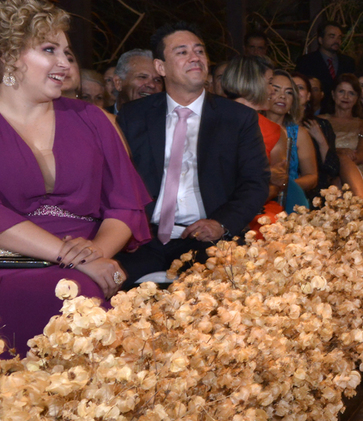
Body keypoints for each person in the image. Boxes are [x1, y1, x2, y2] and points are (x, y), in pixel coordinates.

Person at [0, 0, 150, 357]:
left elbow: (125, 205)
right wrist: (76, 259)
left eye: (67, 53)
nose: (65, 63)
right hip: (8, 263)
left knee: (79, 293)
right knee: (70, 291)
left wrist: (97, 254)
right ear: (9, 55)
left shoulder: (92, 119)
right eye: (49, 50)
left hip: (87, 263)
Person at [115, 22, 269, 286]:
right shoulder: (134, 116)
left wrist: (221, 223)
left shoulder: (237, 118)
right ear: (160, 67)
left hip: (209, 240)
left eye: (199, 51)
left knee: (214, 294)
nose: (195, 57)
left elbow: (255, 183)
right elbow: (117, 181)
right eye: (182, 52)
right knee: (107, 288)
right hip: (143, 240)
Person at [220, 57, 288, 235]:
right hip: (214, 211)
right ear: (252, 82)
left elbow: (278, 182)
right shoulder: (212, 120)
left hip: (257, 211)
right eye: (270, 82)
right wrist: (263, 175)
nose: (273, 90)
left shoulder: (274, 131)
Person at [267, 71, 318, 203]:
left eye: (288, 92)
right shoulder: (251, 127)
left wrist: (285, 185)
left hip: (289, 201)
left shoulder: (299, 133)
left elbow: (312, 177)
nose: (282, 96)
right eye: (276, 90)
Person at [319, 74, 363, 199]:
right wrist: (339, 152)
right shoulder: (320, 121)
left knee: (339, 182)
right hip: (325, 172)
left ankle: (359, 201)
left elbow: (360, 156)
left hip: (355, 176)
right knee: (335, 183)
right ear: (333, 94)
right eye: (341, 91)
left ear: (357, 98)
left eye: (351, 93)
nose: (346, 97)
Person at [292, 73, 340, 202]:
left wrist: (320, 139)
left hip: (315, 191)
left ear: (308, 95)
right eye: (292, 88)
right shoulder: (279, 125)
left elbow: (333, 169)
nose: (296, 92)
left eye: (300, 88)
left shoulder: (321, 125)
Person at [295, 22, 355, 97]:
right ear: (320, 40)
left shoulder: (348, 62)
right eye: (332, 36)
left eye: (339, 37)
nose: (337, 41)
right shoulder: (306, 61)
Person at [111, 49, 162, 114]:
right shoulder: (100, 117)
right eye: (142, 77)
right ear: (118, 83)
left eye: (157, 80)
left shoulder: (169, 118)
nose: (152, 85)